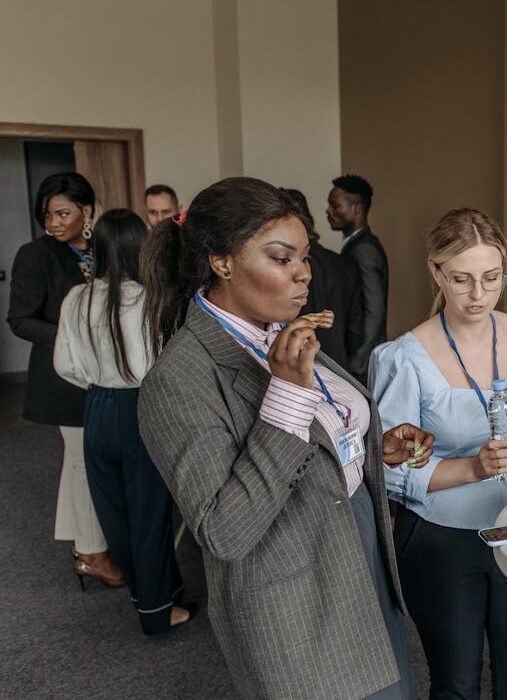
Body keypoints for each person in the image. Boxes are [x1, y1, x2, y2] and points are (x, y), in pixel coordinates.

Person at [137, 176, 432, 699]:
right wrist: (287, 398)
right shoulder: (178, 378)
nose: (303, 276)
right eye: (281, 259)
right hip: (295, 595)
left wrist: (365, 444)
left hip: (357, 550)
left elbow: (317, 437)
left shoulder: (279, 330)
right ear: (222, 261)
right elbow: (224, 530)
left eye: (305, 258)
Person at [370, 207, 507, 700]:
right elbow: (389, 471)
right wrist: (472, 467)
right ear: (435, 272)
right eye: (460, 279)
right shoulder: (404, 358)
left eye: (490, 278)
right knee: (456, 684)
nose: (477, 295)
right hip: (440, 536)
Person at [53, 208, 192, 632]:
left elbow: (64, 365)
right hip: (141, 408)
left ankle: (145, 594)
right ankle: (156, 611)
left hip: (96, 408)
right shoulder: (151, 297)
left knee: (114, 513)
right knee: (149, 513)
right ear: (139, 247)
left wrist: (100, 385)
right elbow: (167, 364)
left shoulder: (75, 298)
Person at [8, 171, 123, 588]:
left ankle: (85, 544)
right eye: (47, 215)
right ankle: (92, 553)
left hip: (105, 374)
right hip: (63, 376)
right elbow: (19, 321)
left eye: (62, 213)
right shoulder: (34, 255)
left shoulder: (104, 250)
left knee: (78, 464)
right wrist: (73, 333)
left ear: (87, 211)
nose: (53, 223)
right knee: (83, 463)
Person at [282, 188, 364, 376]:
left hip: (299, 368)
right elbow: (356, 330)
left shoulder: (285, 270)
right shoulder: (345, 265)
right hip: (342, 368)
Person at [328, 174, 387, 380]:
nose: (328, 211)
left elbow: (374, 310)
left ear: (357, 209)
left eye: (335, 206)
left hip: (362, 364)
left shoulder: (364, 250)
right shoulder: (356, 246)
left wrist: (357, 362)